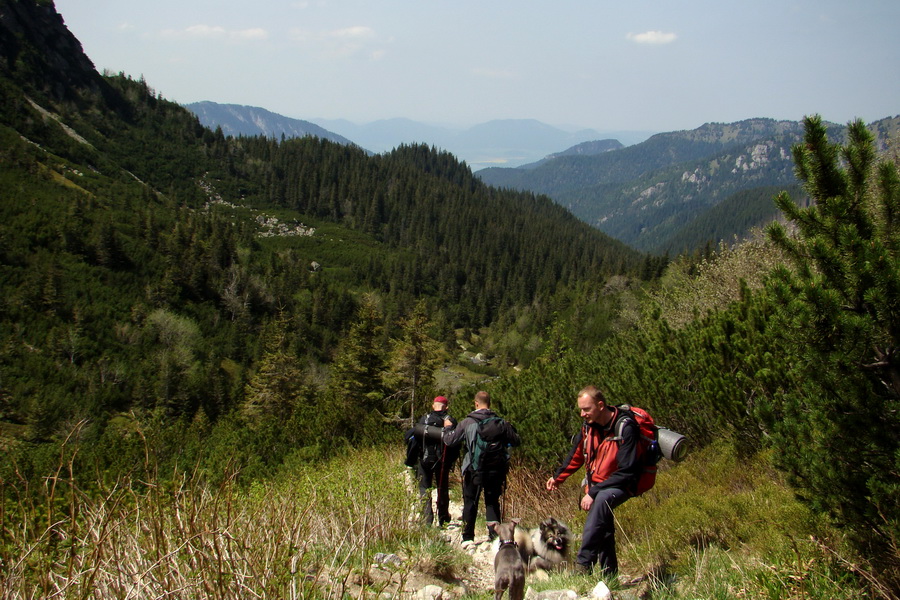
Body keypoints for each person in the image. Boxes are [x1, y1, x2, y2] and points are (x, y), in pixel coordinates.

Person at [545, 385, 641, 576]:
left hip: (623, 483)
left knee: (601, 501)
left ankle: (583, 564)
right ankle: (609, 575)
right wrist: (558, 477)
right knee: (603, 526)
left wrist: (593, 492)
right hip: (599, 484)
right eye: (580, 409)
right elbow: (576, 455)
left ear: (600, 405)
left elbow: (627, 471)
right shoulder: (589, 428)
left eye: (586, 409)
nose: (582, 414)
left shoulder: (625, 428)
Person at [443, 390, 521, 543]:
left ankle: (467, 538)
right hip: (496, 470)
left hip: (474, 469)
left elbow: (449, 441)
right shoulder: (501, 422)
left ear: (476, 403)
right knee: (492, 502)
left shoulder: (468, 422)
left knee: (470, 501)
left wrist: (447, 427)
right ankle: (494, 537)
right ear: (490, 404)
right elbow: (516, 441)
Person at [411, 396, 459, 527]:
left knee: (424, 488)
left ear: (433, 405)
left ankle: (427, 520)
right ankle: (443, 518)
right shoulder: (450, 420)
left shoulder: (424, 419)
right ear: (446, 407)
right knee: (442, 489)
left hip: (424, 460)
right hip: (442, 461)